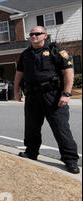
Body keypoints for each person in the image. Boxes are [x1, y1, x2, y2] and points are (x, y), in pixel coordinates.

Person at [14, 26, 79, 174]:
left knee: (60, 127)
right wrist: (16, 92)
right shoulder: (26, 54)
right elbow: (19, 73)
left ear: (45, 35)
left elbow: (68, 72)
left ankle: (70, 160)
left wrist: (66, 94)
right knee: (31, 127)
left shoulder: (56, 51)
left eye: (37, 34)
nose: (34, 36)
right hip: (32, 96)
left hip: (53, 95)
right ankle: (31, 152)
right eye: (31, 34)